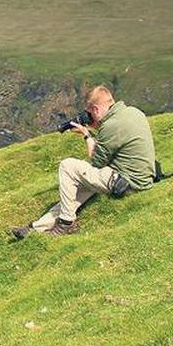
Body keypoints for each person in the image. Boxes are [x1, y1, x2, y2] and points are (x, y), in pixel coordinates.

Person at [12, 85, 156, 239]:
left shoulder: (110, 126)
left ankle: (67, 223)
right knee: (75, 189)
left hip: (128, 182)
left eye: (90, 113)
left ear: (95, 109)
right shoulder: (134, 112)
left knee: (67, 166)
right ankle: (36, 227)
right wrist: (98, 128)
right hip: (142, 177)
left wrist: (87, 135)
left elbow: (96, 163)